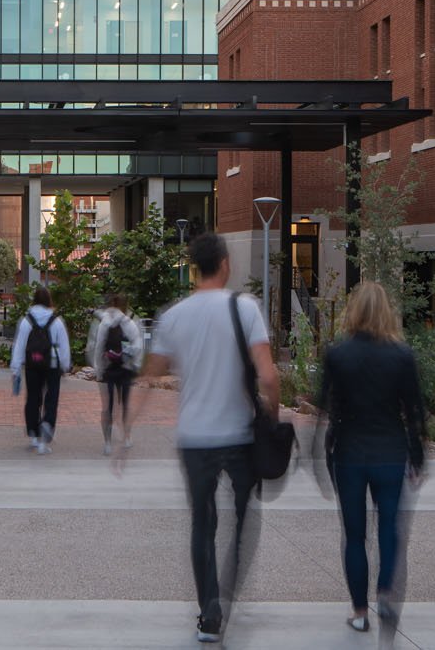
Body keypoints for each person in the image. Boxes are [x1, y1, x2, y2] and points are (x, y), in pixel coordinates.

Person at [131, 231, 279, 644]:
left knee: (203, 522)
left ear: (194, 268)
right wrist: (273, 415)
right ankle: (226, 592)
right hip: (239, 435)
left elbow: (152, 372)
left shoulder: (175, 315)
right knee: (243, 518)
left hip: (195, 437)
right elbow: (268, 374)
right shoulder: (245, 308)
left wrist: (127, 424)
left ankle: (209, 611)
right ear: (226, 264)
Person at [312, 280, 425, 634]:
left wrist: (323, 452)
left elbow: (326, 407)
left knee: (355, 534)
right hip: (390, 449)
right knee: (390, 526)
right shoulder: (402, 356)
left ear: (354, 311)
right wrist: (418, 455)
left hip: (350, 451)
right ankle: (386, 592)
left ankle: (359, 610)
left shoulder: (337, 354)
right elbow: (414, 410)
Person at [9, 283, 71, 452]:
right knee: (51, 398)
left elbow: (19, 344)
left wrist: (15, 367)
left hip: (32, 363)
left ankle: (34, 434)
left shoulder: (26, 320)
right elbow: (63, 346)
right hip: (52, 363)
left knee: (33, 398)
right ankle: (47, 424)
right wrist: (65, 365)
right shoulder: (57, 320)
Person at [87, 291, 144, 456]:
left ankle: (107, 443)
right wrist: (134, 363)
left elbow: (98, 347)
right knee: (125, 404)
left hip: (108, 369)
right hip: (126, 369)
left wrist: (98, 369)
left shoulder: (105, 321)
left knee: (107, 407)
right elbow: (138, 346)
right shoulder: (129, 322)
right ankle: (126, 436)